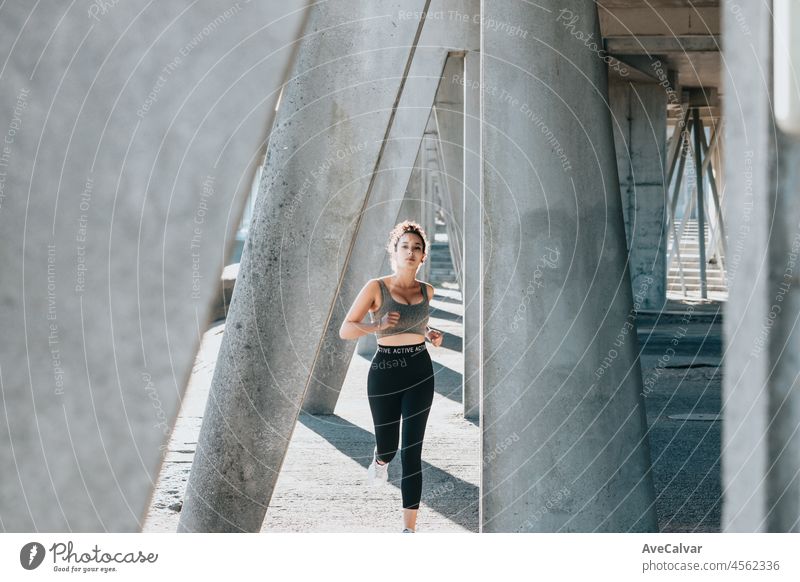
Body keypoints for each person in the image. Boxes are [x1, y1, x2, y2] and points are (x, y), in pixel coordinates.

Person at [339, 220, 443, 533]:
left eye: (417, 248)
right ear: (394, 252)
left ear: (423, 256)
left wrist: (429, 334)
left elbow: (416, 324)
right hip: (385, 371)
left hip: (419, 370)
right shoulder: (376, 287)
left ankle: (408, 530)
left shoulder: (428, 291)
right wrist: (377, 325)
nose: (410, 252)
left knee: (412, 452)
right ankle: (381, 460)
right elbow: (346, 330)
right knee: (389, 446)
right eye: (405, 247)